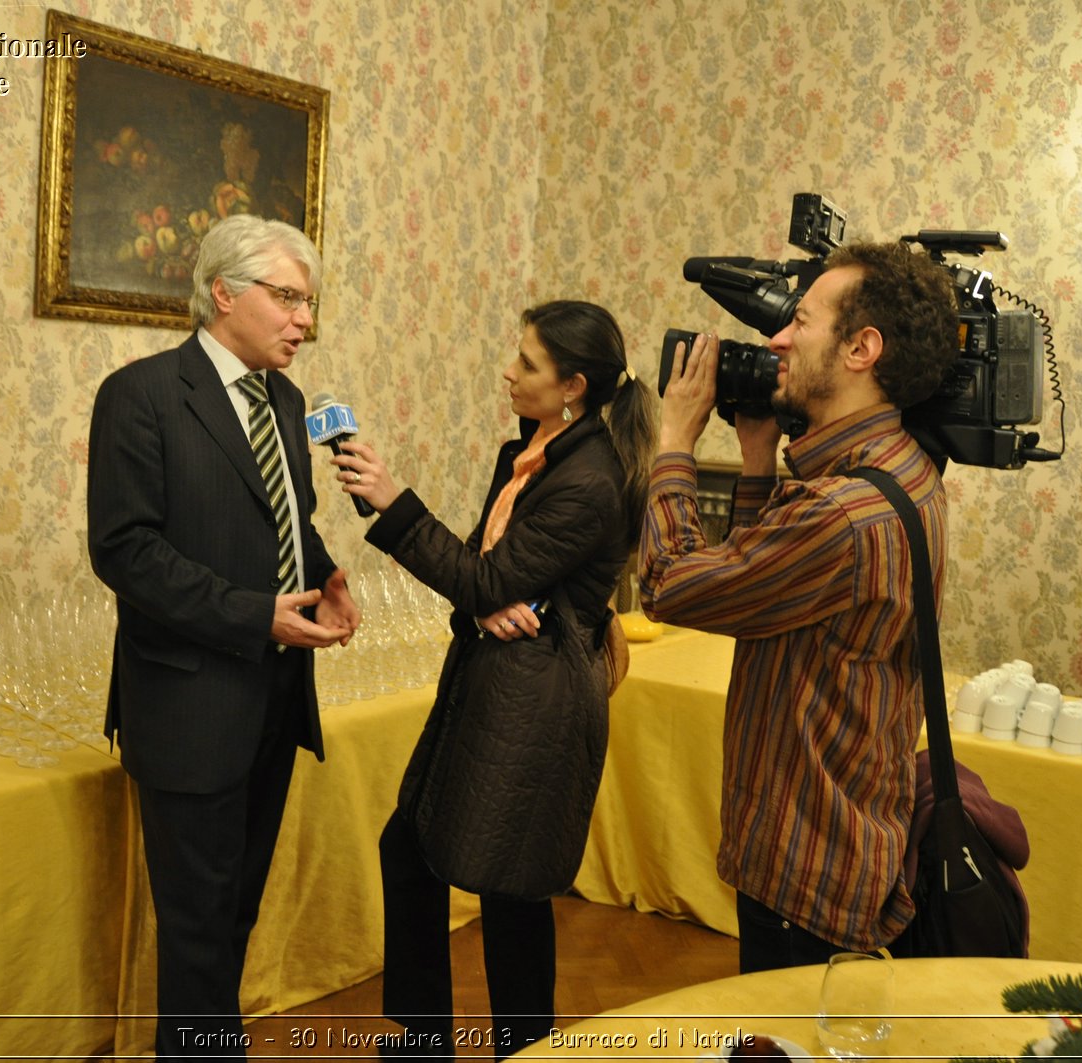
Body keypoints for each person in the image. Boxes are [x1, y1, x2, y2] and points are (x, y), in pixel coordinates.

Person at [331, 301, 657, 1059]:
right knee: (425, 853)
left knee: (509, 886)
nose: (508, 372)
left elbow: (484, 576)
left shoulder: (589, 479)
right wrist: (481, 607)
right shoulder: (539, 447)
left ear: (573, 385)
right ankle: (430, 1041)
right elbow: (487, 580)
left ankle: (511, 1046)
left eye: (528, 364)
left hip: (536, 698)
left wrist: (394, 501)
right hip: (495, 681)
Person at [637, 240, 959, 972]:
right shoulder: (902, 472)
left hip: (808, 863)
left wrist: (674, 439)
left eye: (801, 321)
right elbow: (766, 594)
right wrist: (757, 463)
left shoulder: (840, 512)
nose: (777, 338)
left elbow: (669, 582)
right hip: (848, 837)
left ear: (860, 349)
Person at [86, 213, 361, 1059]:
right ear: (222, 293)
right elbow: (125, 551)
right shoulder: (140, 395)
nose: (303, 321)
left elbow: (285, 517)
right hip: (189, 706)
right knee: (197, 927)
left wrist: (327, 575)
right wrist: (253, 612)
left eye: (308, 303)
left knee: (235, 909)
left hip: (275, 696)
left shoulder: (283, 399)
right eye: (286, 299)